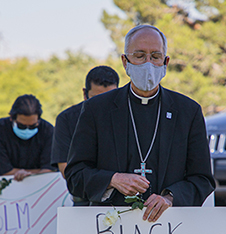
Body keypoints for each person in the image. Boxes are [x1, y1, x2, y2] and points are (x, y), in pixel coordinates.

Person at [65, 24, 215, 221]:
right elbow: (75, 175)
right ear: (125, 61)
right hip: (110, 230)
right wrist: (112, 180)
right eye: (139, 55)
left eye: (155, 56)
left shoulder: (188, 111)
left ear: (166, 61)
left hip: (171, 228)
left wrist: (170, 198)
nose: (148, 63)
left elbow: (202, 179)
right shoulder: (96, 109)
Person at [51, 65, 119, 206]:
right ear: (85, 93)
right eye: (97, 98)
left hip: (121, 200)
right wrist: (109, 180)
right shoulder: (67, 119)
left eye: (109, 97)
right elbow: (66, 169)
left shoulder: (126, 116)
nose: (103, 105)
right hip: (85, 200)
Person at [0, 94, 54, 181]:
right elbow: (4, 170)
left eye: (32, 126)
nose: (27, 130)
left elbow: (49, 170)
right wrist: (36, 172)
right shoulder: (2, 130)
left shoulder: (48, 131)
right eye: (22, 126)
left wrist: (26, 174)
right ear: (11, 118)